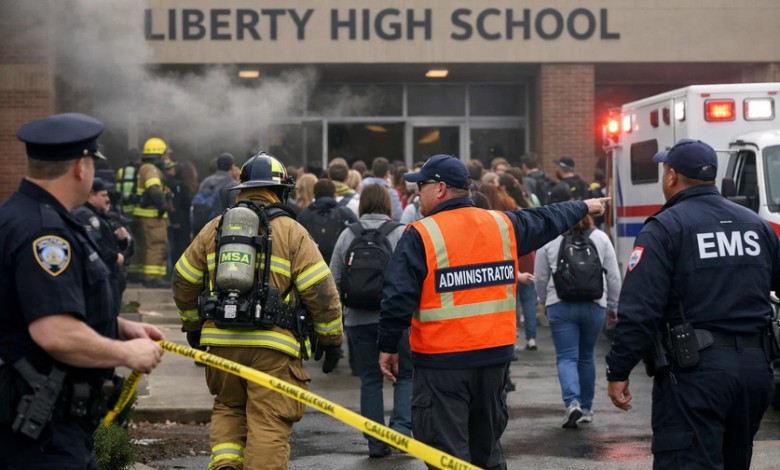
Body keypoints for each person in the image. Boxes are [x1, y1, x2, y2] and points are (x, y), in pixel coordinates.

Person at [377, 154, 609, 470]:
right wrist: (582, 206)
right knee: (486, 453)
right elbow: (545, 218)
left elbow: (397, 297)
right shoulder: (502, 225)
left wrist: (388, 346)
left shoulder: (420, 234)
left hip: (442, 364)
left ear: (441, 188)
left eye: (423, 185)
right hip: (493, 362)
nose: (418, 192)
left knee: (447, 455)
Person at [0, 113, 164, 469]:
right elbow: (54, 332)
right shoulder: (45, 233)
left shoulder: (31, 217)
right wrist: (126, 353)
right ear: (80, 166)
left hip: (49, 430)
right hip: (40, 436)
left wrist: (117, 325)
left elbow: (38, 303)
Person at [606, 139, 780, 470]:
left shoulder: (665, 228)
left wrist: (619, 368)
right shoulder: (757, 226)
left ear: (672, 176)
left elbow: (640, 310)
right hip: (755, 373)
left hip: (696, 376)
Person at [172, 152, 344, 470]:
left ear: (243, 188)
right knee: (268, 422)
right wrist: (332, 339)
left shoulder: (214, 229)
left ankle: (225, 465)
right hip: (274, 349)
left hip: (222, 344)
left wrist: (193, 326)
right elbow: (321, 292)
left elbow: (183, 279)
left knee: (228, 407)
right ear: (280, 191)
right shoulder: (293, 232)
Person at [330, 183, 411, 458]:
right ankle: (400, 430)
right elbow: (412, 278)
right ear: (388, 204)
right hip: (398, 319)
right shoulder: (401, 232)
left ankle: (376, 442)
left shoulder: (347, 234)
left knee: (369, 379)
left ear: (362, 204)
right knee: (405, 374)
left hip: (358, 319)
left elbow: (334, 278)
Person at [535, 214, 620, 428]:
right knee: (586, 356)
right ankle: (587, 408)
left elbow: (541, 276)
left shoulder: (551, 239)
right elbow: (613, 276)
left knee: (566, 356)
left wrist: (544, 301)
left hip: (560, 305)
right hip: (595, 304)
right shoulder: (600, 237)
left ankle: (572, 403)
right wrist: (613, 305)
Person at [72, 177, 132, 314]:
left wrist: (118, 239)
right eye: (103, 195)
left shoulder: (97, 215)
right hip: (99, 279)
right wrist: (115, 257)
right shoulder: (88, 216)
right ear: (91, 196)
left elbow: (103, 241)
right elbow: (93, 246)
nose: (107, 199)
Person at [129, 137, 170, 288]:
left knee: (145, 246)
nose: (166, 158)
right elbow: (154, 189)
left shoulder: (143, 167)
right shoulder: (151, 169)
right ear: (158, 154)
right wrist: (162, 205)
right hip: (152, 216)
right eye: (164, 154)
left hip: (144, 215)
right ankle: (153, 278)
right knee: (157, 244)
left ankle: (144, 275)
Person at [296, 179, 358, 265]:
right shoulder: (345, 213)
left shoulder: (304, 215)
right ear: (335, 195)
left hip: (311, 268)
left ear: (314, 196)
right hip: (339, 265)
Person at [190, 153, 240, 236]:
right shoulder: (232, 184)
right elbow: (235, 211)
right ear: (232, 167)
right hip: (218, 230)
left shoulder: (205, 181)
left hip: (201, 229)